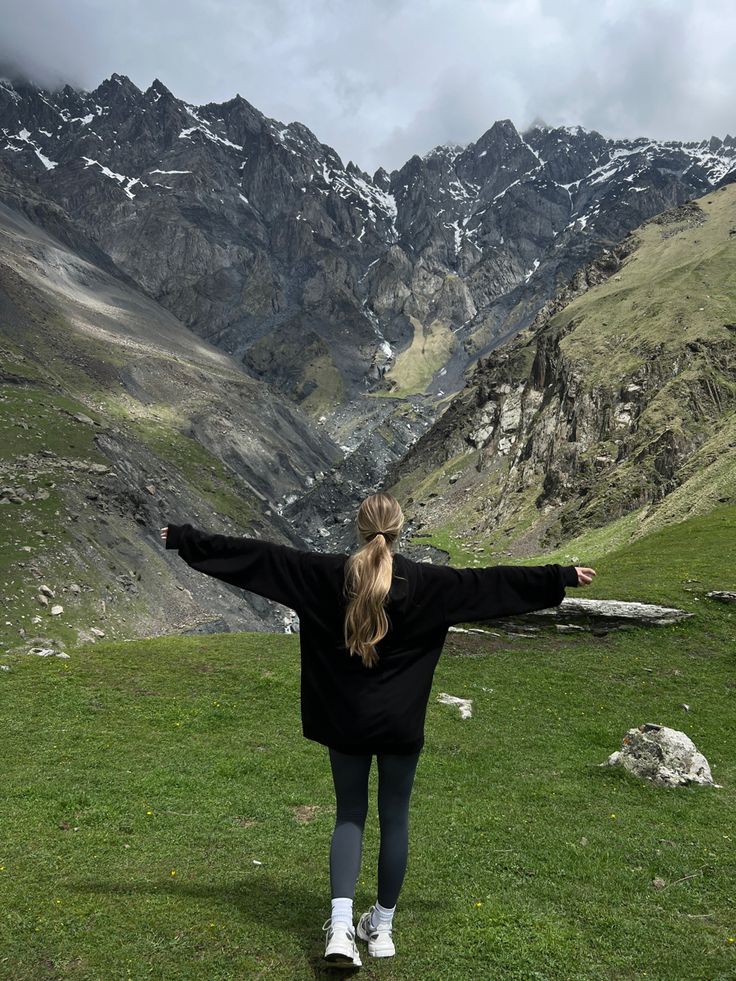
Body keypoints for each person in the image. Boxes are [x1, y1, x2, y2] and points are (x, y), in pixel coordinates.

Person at [160, 492, 596, 968]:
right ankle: (382, 930)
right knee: (396, 818)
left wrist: (187, 540)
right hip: (400, 725)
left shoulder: (322, 575)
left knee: (349, 814)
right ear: (400, 528)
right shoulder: (432, 584)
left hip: (344, 722)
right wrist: (559, 577)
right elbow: (491, 585)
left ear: (359, 528)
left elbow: (258, 558)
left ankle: (342, 932)